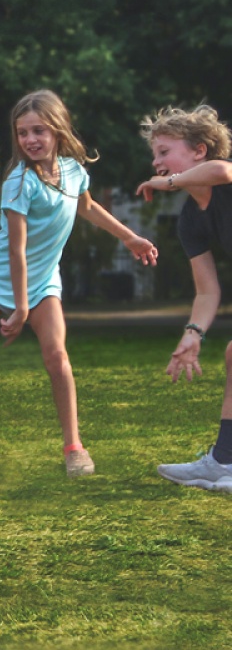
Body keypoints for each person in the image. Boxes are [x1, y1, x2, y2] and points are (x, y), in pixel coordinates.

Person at [0, 90, 159, 478]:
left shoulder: (73, 170)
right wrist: (19, 308)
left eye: (38, 130)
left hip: (43, 282)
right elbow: (15, 252)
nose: (30, 140)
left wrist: (128, 237)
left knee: (58, 358)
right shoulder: (19, 183)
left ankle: (74, 448)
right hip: (0, 278)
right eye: (22, 133)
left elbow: (86, 206)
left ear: (57, 130)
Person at [135, 104, 232, 492]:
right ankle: (223, 460)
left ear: (200, 150)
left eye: (164, 151)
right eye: (154, 155)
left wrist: (169, 182)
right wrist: (193, 334)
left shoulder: (224, 178)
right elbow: (208, 290)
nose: (156, 163)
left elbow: (223, 170)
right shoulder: (190, 218)